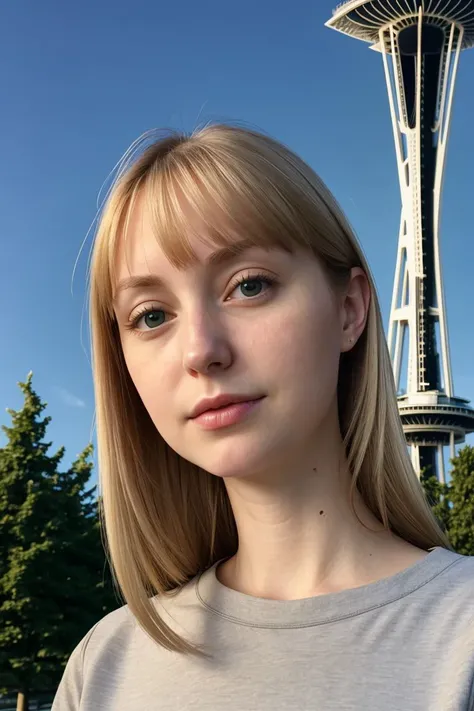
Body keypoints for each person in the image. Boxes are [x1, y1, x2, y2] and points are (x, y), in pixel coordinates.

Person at [52, 124, 474, 711]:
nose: (201, 350)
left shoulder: (462, 642)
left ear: (349, 309)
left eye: (248, 285)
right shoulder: (105, 668)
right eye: (151, 316)